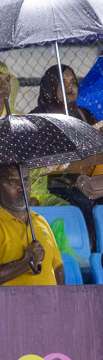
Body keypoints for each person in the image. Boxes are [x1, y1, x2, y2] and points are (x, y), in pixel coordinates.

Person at [32, 64, 103, 241]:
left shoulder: (83, 113)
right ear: (50, 87)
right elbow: (43, 163)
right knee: (83, 203)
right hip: (57, 183)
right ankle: (89, 249)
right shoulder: (39, 118)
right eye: (63, 83)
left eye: (73, 82)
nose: (70, 87)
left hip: (88, 178)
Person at [0, 163, 65, 287]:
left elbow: (58, 268)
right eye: (12, 181)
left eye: (25, 180)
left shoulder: (41, 221)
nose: (22, 187)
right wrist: (26, 263)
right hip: (11, 306)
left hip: (49, 305)